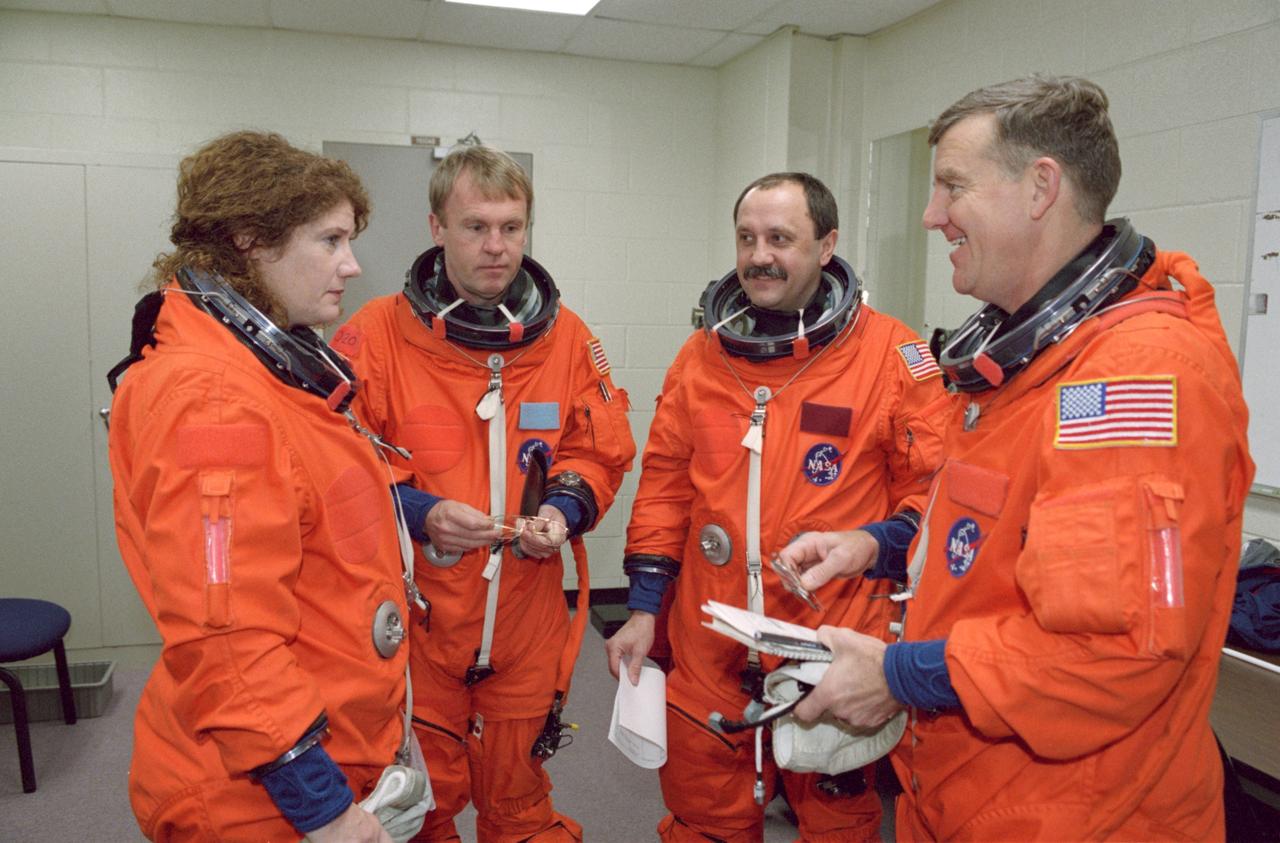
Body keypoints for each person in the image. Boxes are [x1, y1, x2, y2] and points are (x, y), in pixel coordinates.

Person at [778, 75, 1255, 841]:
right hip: (976, 796)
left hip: (1082, 815)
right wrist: (878, 544)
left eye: (952, 187)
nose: (932, 216)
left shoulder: (1133, 378)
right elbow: (992, 536)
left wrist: (897, 676)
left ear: (1040, 188)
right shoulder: (1028, 365)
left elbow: (1111, 653)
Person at [605, 172, 951, 842]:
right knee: (702, 818)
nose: (759, 254)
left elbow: (935, 493)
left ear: (827, 245)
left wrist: (876, 540)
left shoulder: (890, 356)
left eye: (780, 238)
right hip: (710, 649)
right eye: (746, 237)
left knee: (839, 825)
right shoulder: (702, 357)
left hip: (830, 645)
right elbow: (666, 488)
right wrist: (645, 606)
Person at [107, 131, 429, 842]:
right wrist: (326, 810)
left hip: (318, 752)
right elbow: (227, 638)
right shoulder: (215, 402)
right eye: (330, 239)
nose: (352, 263)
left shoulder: (262, 373)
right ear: (250, 240)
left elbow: (307, 517)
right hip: (255, 800)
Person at [332, 144, 636, 842]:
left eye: (512, 227)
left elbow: (598, 448)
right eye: (475, 227)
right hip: (417, 623)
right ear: (436, 227)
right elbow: (336, 466)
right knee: (419, 807)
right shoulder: (374, 336)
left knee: (520, 806)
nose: (497, 247)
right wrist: (420, 512)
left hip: (526, 622)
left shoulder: (567, 341)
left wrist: (563, 509)